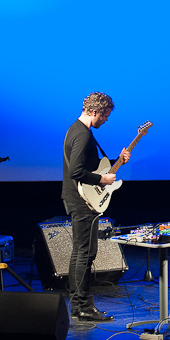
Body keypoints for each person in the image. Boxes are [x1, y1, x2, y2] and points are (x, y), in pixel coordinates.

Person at [61, 92, 131, 322]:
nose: (106, 120)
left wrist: (117, 161)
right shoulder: (82, 134)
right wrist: (102, 180)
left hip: (80, 199)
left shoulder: (78, 130)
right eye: (105, 116)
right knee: (84, 253)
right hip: (82, 201)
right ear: (94, 112)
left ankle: (78, 305)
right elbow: (76, 171)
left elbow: (91, 166)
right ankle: (82, 306)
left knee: (82, 252)